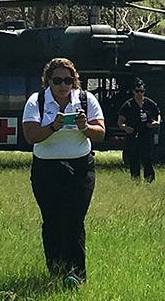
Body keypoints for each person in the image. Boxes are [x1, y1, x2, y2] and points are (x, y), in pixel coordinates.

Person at [22, 58, 105, 287]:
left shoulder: (87, 100)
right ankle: (56, 270)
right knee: (52, 221)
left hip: (80, 168)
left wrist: (84, 127)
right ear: (48, 81)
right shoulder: (36, 102)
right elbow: (30, 136)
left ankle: (76, 275)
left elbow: (100, 133)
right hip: (46, 170)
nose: (63, 85)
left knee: (74, 219)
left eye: (68, 80)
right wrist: (52, 127)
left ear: (74, 81)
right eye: (57, 80)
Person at [117, 78, 161, 182]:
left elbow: (158, 114)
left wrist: (157, 122)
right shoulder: (128, 105)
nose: (140, 93)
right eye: (137, 91)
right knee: (134, 159)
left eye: (142, 91)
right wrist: (124, 127)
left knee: (148, 158)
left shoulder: (149, 103)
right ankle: (135, 179)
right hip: (133, 135)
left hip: (146, 134)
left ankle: (149, 179)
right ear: (133, 91)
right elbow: (120, 121)